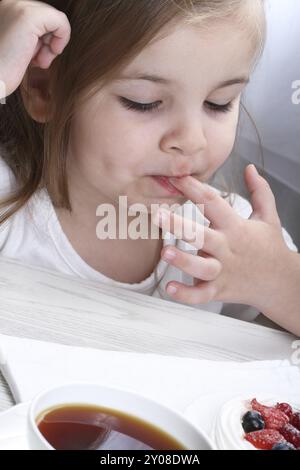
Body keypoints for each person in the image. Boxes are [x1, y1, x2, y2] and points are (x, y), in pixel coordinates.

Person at [0, 0, 298, 335]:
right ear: (43, 88)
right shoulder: (7, 206)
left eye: (219, 103)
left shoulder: (229, 233)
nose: (191, 140)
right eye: (144, 102)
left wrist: (278, 281)